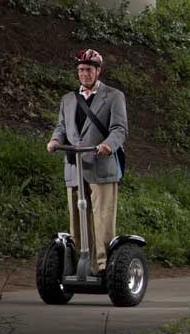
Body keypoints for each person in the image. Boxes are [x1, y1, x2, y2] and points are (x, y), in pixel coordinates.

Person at [46, 49, 128, 275]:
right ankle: (81, 265)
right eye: (81, 70)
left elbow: (119, 128)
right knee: (76, 220)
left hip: (102, 165)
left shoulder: (113, 96)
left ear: (98, 71)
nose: (84, 74)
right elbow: (62, 127)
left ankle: (103, 267)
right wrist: (55, 140)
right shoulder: (68, 99)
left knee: (102, 219)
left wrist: (108, 145)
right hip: (74, 166)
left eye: (89, 70)